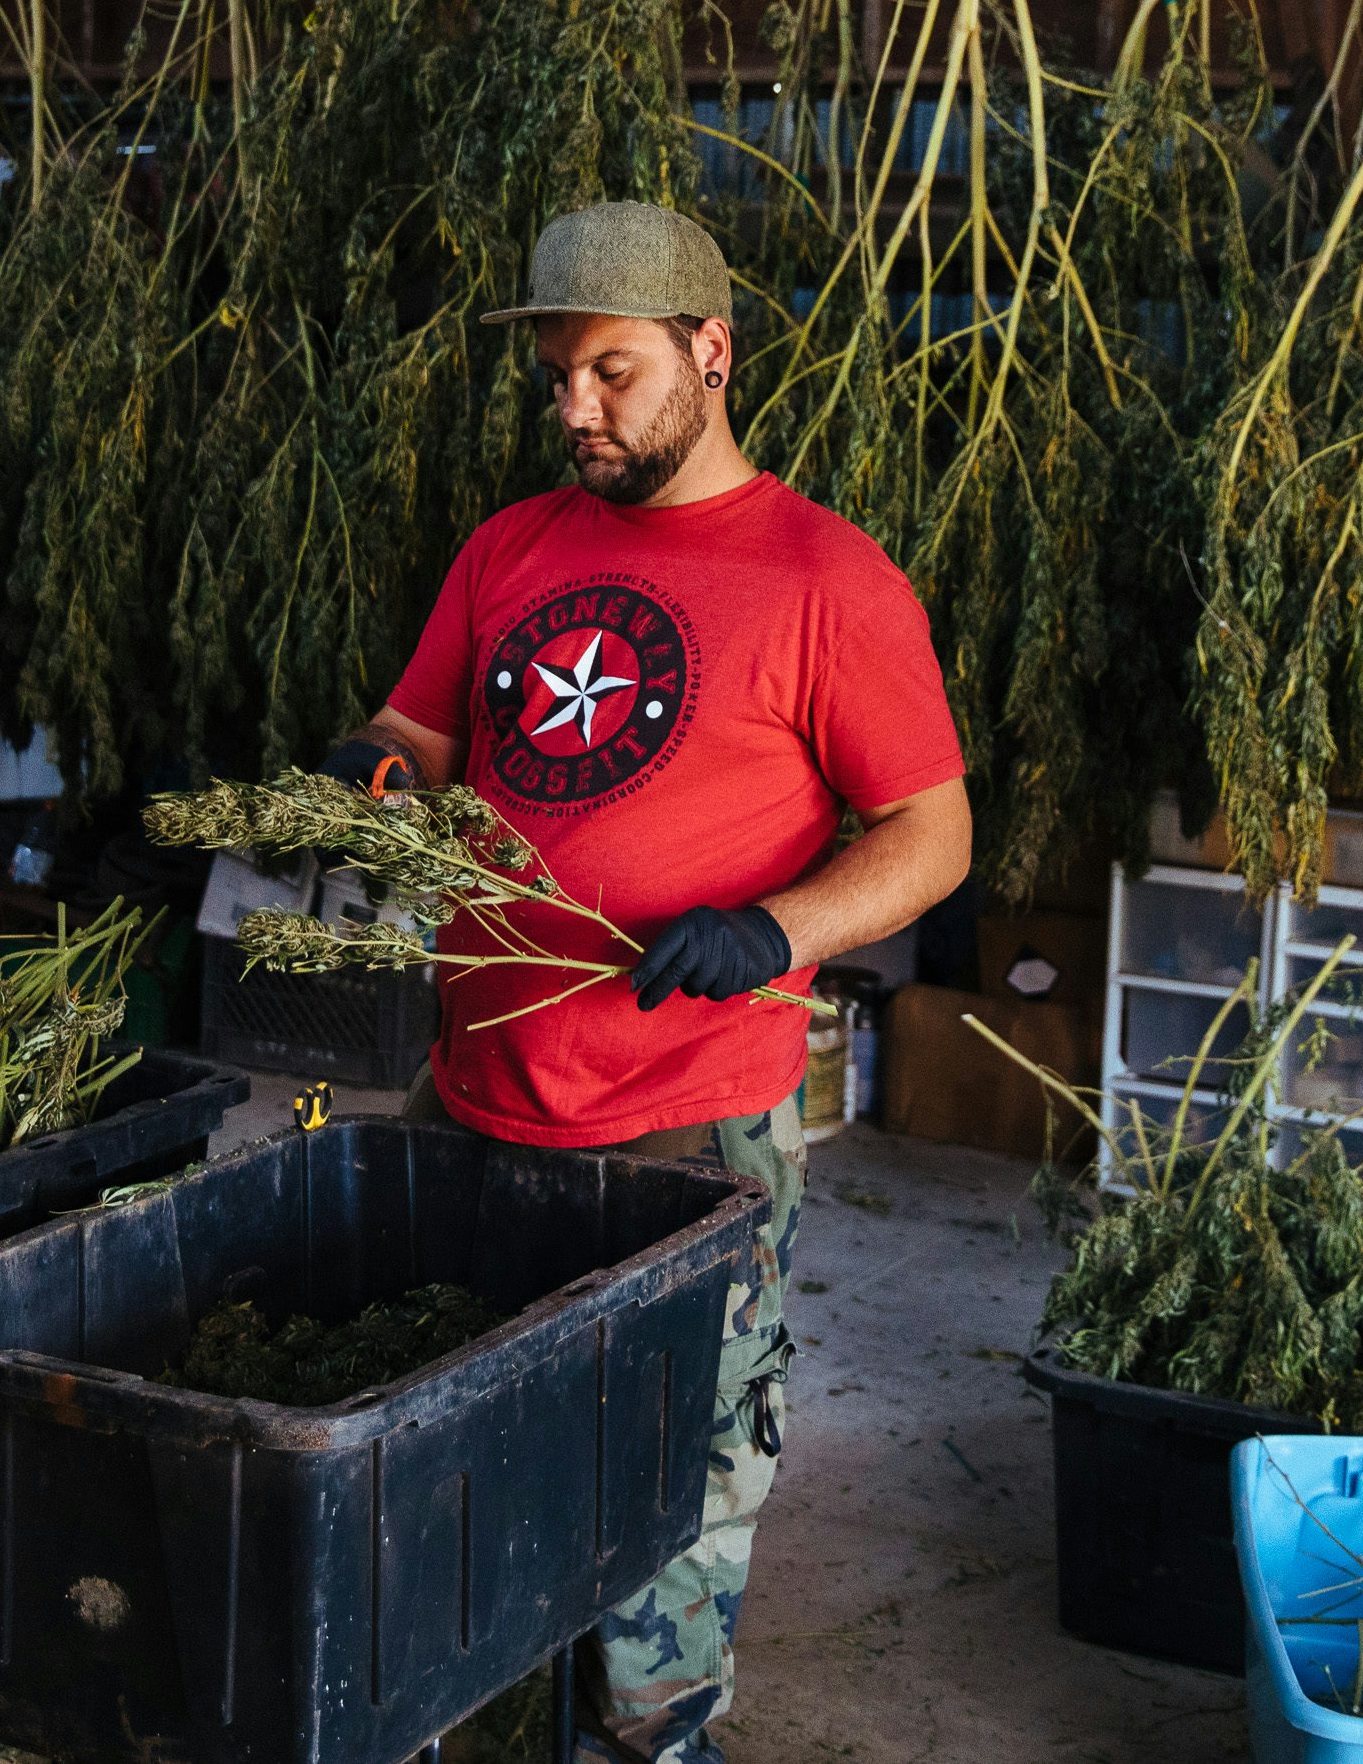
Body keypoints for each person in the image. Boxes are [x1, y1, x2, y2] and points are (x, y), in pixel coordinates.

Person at [328, 201, 971, 1764]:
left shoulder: (831, 578)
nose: (577, 411)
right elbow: (417, 732)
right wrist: (370, 773)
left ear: (711, 352)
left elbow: (933, 832)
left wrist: (779, 929)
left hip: (690, 1128)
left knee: (675, 1474)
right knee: (450, 1442)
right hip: (475, 1094)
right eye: (556, 378)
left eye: (610, 372)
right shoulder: (513, 547)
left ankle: (651, 1733)